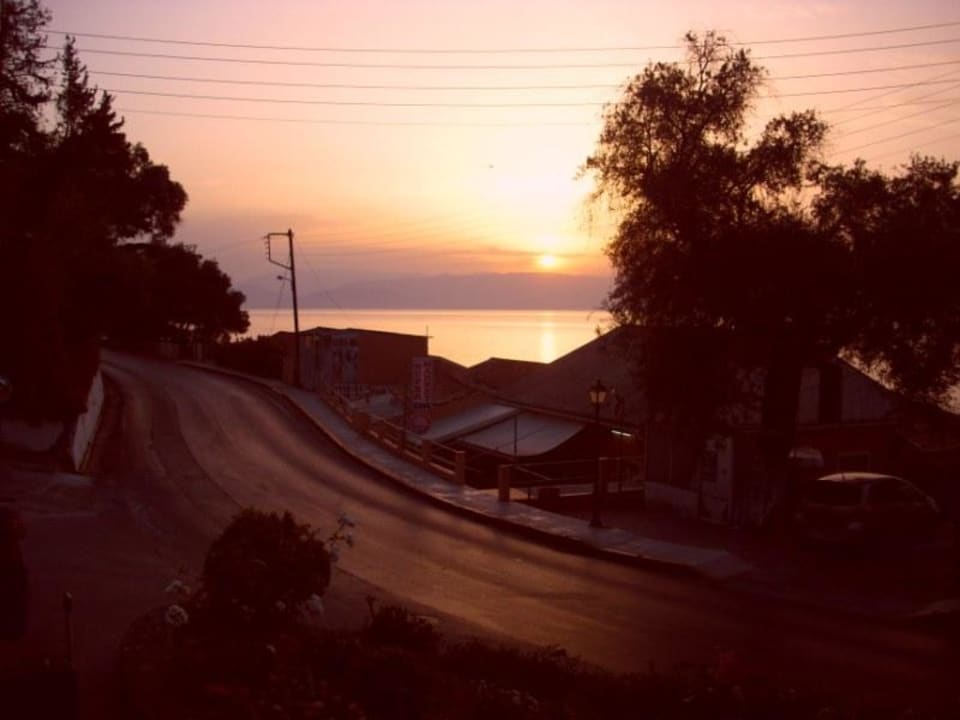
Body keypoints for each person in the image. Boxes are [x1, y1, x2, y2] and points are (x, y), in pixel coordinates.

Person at [0, 505, 27, 641]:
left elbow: (23, 532)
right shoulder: (12, 513)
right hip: (12, 563)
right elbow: (23, 532)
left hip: (12, 563)